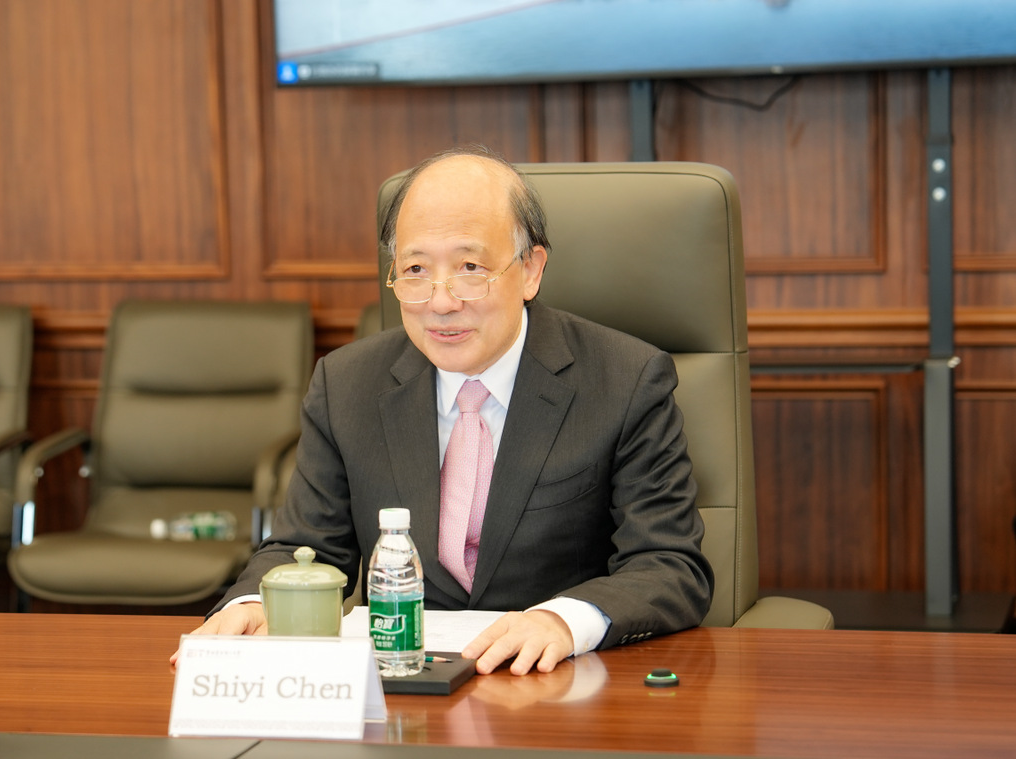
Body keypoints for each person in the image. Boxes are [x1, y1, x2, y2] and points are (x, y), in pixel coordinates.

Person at [174, 145, 712, 675]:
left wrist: (563, 622)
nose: (440, 302)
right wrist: (251, 604)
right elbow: (303, 547)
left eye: (470, 267)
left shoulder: (625, 380)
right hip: (401, 686)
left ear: (530, 269)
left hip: (557, 684)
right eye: (415, 269)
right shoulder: (347, 385)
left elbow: (668, 564)